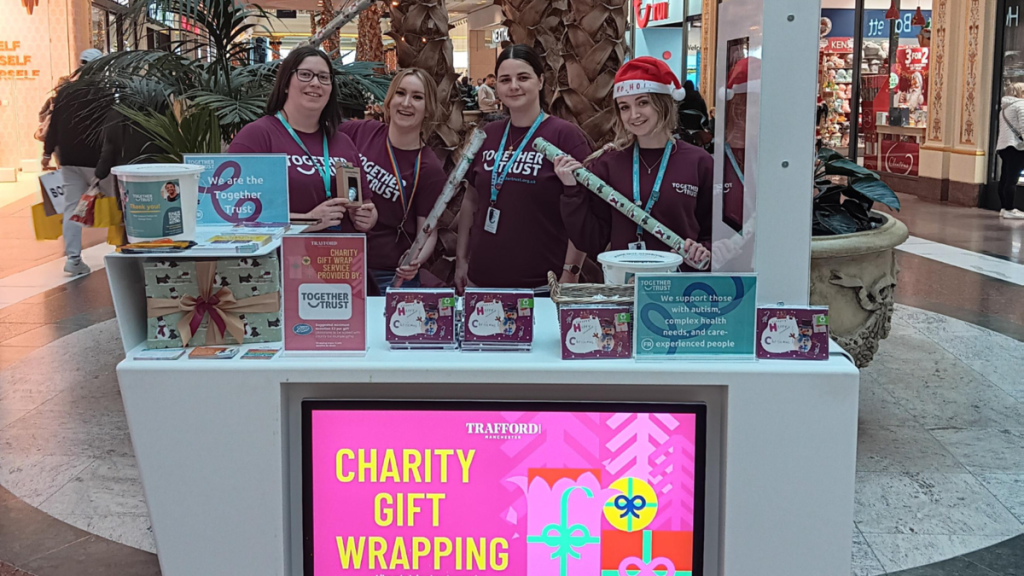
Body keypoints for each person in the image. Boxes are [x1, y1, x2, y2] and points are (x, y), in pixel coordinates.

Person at [455, 44, 591, 293]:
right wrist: (461, 260)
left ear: (540, 81)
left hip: (543, 286)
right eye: (505, 80)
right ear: (497, 87)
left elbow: (581, 209)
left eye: (523, 77)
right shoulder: (487, 135)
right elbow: (471, 200)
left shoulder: (565, 136)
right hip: (481, 282)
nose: (514, 86)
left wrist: (570, 273)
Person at [557, 57, 712, 270]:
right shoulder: (607, 163)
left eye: (643, 103)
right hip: (623, 282)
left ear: (663, 102)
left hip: (680, 285)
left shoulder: (699, 162)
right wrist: (571, 191)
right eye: (624, 107)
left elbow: (716, 233)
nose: (634, 115)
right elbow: (591, 241)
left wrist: (705, 249)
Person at [228, 46, 378, 233]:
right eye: (305, 75)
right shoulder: (256, 137)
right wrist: (307, 221)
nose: (315, 83)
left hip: (340, 250)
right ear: (285, 83)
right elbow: (233, 214)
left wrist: (367, 217)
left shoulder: (343, 143)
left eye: (324, 77)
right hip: (283, 251)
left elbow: (366, 204)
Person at [340, 68, 448, 289]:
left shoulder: (429, 168)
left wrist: (415, 260)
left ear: (428, 110)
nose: (406, 103)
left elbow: (428, 232)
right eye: (400, 93)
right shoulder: (361, 131)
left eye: (417, 97)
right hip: (341, 260)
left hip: (387, 272)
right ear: (389, 100)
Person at [42, 48, 111, 276]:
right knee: (121, 203)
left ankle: (73, 259)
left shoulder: (65, 92)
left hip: (69, 159)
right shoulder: (104, 92)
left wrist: (47, 153)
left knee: (72, 209)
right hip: (98, 161)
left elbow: (54, 125)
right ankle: (128, 249)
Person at [996, 82, 1024, 219]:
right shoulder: (1021, 105)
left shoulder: (1004, 108)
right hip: (1016, 146)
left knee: (1005, 178)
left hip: (1004, 146)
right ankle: (1010, 209)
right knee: (1012, 179)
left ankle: (1004, 207)